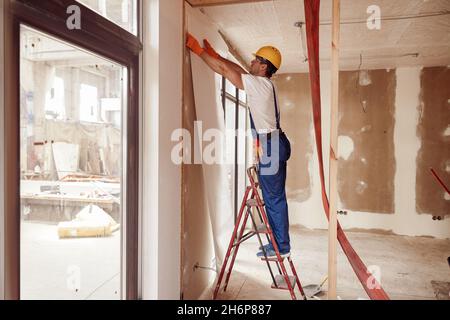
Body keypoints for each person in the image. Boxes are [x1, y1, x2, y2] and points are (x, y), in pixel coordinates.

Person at [186, 34, 291, 258]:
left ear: (263, 67)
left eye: (255, 60)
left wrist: (199, 52)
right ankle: (279, 242)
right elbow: (238, 71)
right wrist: (216, 56)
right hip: (273, 144)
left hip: (271, 147)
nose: (251, 62)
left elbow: (227, 72)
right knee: (274, 196)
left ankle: (281, 247)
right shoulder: (264, 84)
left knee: (273, 198)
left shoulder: (259, 85)